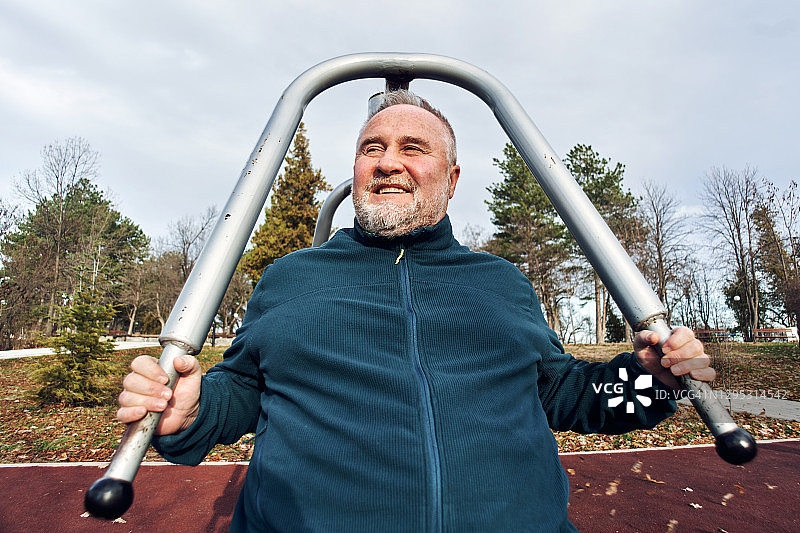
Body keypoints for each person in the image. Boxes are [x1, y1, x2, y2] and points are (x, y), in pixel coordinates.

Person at [117, 91, 715, 532]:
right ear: (355, 172)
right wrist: (189, 413)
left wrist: (651, 381)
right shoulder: (293, 276)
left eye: (413, 148)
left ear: (451, 179)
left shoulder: (499, 283)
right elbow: (243, 389)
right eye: (371, 148)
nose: (386, 162)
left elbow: (561, 392)